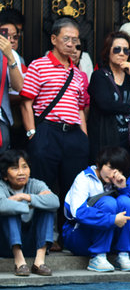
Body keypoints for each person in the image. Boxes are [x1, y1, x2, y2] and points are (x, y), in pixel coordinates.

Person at [20, 17, 89, 221]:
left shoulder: (77, 73)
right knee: (43, 186)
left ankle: (66, 235)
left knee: (72, 186)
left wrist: (83, 137)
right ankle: (43, 238)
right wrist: (33, 134)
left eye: (75, 40)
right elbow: (26, 103)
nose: (71, 44)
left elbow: (79, 109)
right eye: (66, 38)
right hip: (47, 131)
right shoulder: (38, 66)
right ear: (53, 39)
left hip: (74, 135)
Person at [63, 146, 130, 272]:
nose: (115, 173)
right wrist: (112, 219)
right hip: (79, 237)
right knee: (108, 202)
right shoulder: (84, 178)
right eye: (111, 168)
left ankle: (123, 255)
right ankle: (98, 256)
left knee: (126, 201)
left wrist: (123, 188)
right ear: (99, 164)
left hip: (110, 242)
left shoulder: (115, 182)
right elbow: (78, 213)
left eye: (119, 169)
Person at [87, 31, 130, 159]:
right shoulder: (99, 76)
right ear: (108, 51)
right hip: (106, 138)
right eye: (117, 49)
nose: (121, 53)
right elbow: (105, 104)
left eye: (126, 50)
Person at [0, 150, 59, 276]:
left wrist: (25, 197)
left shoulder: (36, 184)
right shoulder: (1, 186)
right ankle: (19, 262)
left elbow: (55, 202)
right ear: (5, 175)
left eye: (25, 167)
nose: (21, 172)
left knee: (47, 209)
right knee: (10, 211)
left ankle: (39, 262)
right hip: (6, 245)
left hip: (33, 243)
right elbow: (2, 206)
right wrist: (35, 202)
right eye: (14, 168)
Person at [0, 14, 25, 151]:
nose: (9, 40)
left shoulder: (12, 55)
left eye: (14, 37)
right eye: (5, 35)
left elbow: (19, 87)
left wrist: (9, 56)